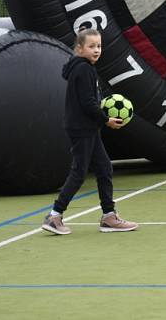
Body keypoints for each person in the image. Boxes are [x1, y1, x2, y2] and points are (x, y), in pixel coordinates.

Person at [41, 28, 138, 235]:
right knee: (78, 173)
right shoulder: (84, 69)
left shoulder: (83, 68)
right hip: (82, 128)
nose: (96, 50)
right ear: (79, 48)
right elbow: (87, 103)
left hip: (87, 128)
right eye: (91, 46)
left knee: (104, 168)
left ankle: (109, 217)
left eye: (99, 46)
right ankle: (54, 215)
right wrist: (106, 120)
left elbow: (89, 100)